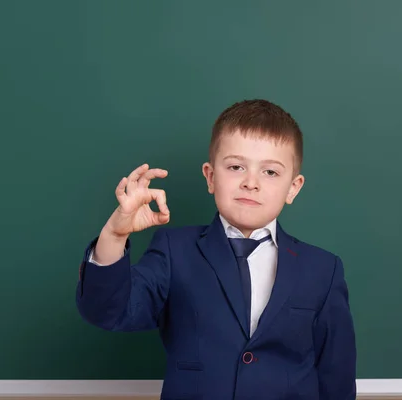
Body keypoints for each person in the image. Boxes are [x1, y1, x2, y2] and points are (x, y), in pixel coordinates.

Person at [76, 99, 356, 399]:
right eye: (236, 167)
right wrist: (114, 236)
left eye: (270, 172)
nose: (251, 183)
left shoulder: (323, 269)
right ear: (211, 177)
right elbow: (108, 312)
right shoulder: (175, 251)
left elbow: (335, 375)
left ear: (293, 187)